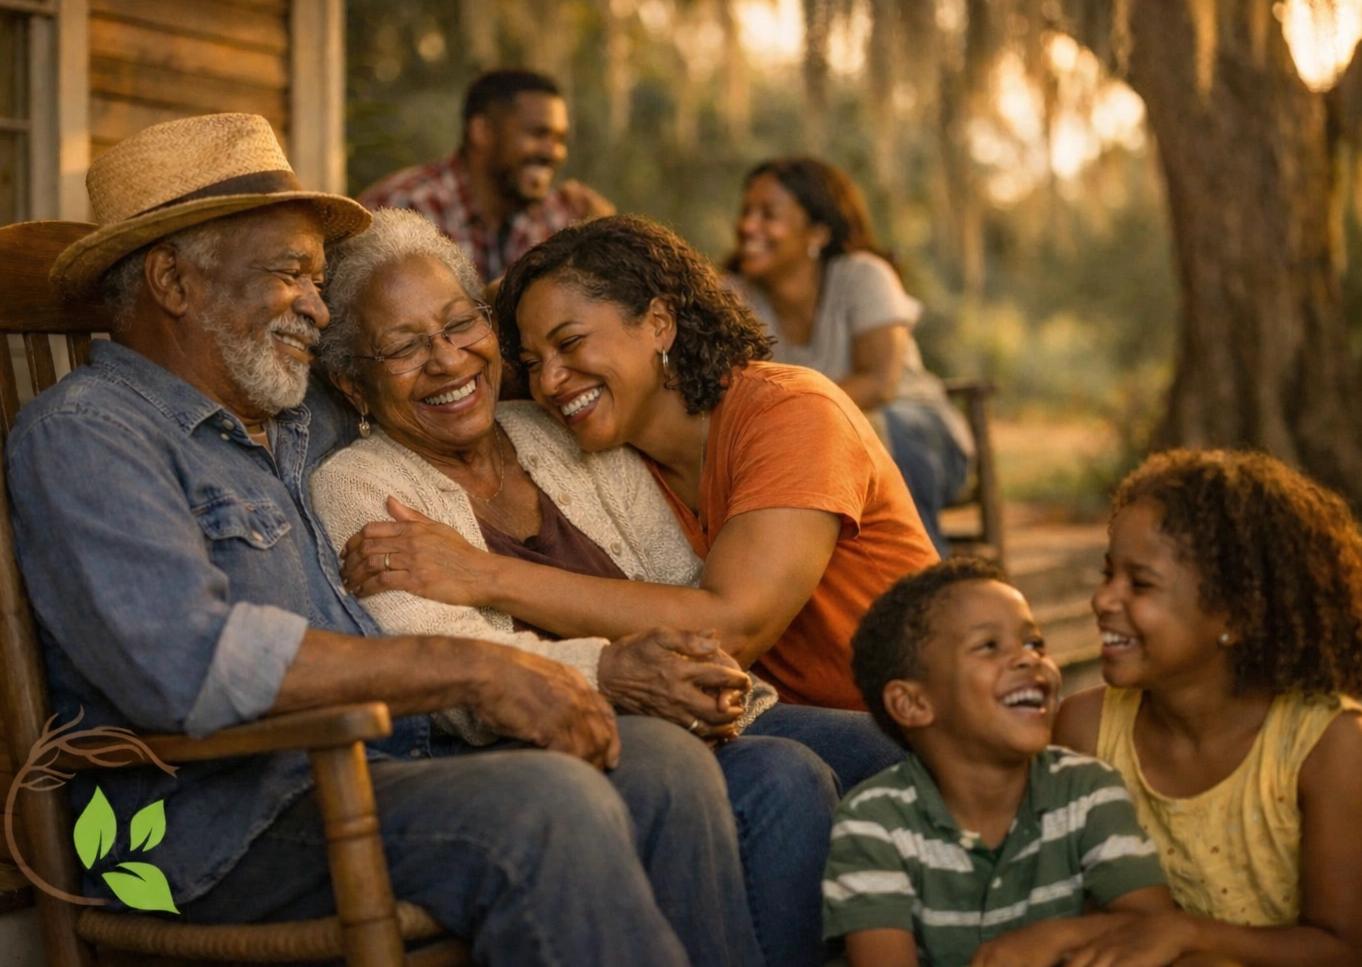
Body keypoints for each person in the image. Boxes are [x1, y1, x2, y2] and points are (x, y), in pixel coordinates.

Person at [8, 113, 764, 966]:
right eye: (290, 275)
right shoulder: (88, 436)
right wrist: (475, 667)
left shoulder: (298, 413)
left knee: (662, 766)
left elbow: (439, 378)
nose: (318, 306)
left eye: (319, 278)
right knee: (547, 808)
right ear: (173, 283)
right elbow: (184, 666)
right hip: (220, 828)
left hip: (390, 767)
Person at [308, 207, 850, 966]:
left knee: (859, 759)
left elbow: (681, 591)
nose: (446, 360)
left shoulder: (554, 431)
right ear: (351, 384)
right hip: (531, 747)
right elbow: (446, 666)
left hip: (697, 713)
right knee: (762, 774)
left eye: (461, 324)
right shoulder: (357, 487)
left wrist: (688, 672)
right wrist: (613, 673)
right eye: (401, 347)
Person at [341, 213, 937, 718]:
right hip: (781, 723)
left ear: (659, 322)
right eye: (531, 359)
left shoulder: (793, 414)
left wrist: (481, 574)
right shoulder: (610, 449)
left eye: (571, 344)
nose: (548, 380)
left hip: (918, 720)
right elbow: (460, 364)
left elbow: (726, 629)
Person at [1054, 449, 1362, 967]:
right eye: (1108, 574)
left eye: (1140, 584)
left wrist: (1182, 934)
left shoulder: (1328, 745)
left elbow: (1339, 947)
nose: (1104, 600)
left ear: (1235, 614)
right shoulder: (1085, 729)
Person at [826, 558, 1172, 967]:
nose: (1029, 660)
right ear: (914, 703)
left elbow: (1155, 931)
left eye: (1034, 643)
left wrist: (1056, 936)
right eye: (989, 646)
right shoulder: (874, 823)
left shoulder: (1088, 789)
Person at [727, 157, 972, 552]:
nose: (747, 226)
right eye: (746, 212)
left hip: (916, 433)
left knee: (876, 431)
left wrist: (791, 416)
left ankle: (921, 583)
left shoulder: (864, 275)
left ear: (818, 233)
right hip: (811, 444)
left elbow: (879, 384)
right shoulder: (733, 296)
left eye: (768, 214)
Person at [356, 68, 614, 283]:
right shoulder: (404, 207)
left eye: (560, 139)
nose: (554, 153)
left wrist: (604, 236)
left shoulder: (560, 217)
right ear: (482, 132)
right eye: (538, 135)